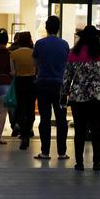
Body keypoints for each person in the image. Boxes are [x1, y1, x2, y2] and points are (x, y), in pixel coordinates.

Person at [61, 25, 100, 171]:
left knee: (79, 131)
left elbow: (67, 77)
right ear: (97, 37)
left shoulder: (73, 53)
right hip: (98, 97)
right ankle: (96, 163)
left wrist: (64, 94)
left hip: (78, 98)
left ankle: (79, 163)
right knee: (96, 130)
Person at [32, 16, 70, 160]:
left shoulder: (40, 44)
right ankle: (61, 152)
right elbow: (67, 64)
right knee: (61, 119)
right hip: (60, 86)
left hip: (43, 85)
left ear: (46, 28)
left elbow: (35, 63)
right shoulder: (64, 44)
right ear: (58, 28)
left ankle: (45, 152)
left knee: (45, 119)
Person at [10, 31, 36, 150]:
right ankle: (28, 132)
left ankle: (23, 133)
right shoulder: (34, 53)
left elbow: (12, 72)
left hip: (19, 82)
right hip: (32, 82)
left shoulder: (13, 54)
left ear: (19, 41)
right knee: (30, 108)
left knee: (20, 108)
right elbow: (38, 68)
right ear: (30, 40)